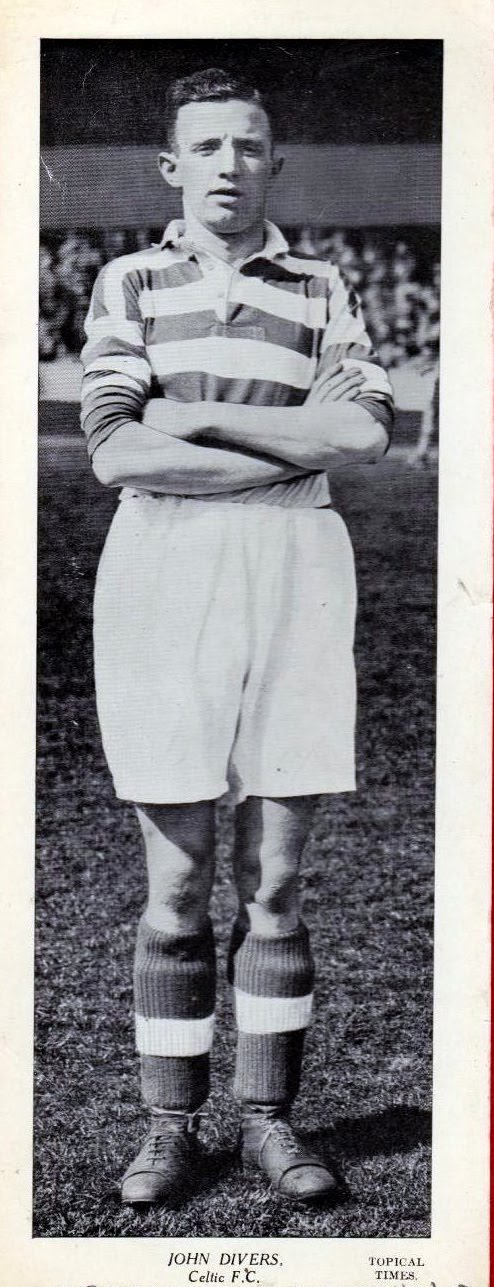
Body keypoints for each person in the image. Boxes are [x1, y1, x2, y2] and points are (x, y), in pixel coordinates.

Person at [80, 67, 394, 1208]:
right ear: (173, 166)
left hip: (297, 564)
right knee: (176, 882)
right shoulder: (129, 281)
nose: (229, 163)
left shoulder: (322, 285)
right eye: (207, 146)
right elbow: (117, 451)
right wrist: (285, 442)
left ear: (274, 163)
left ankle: (267, 1120)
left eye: (248, 145)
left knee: (276, 882)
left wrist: (197, 415)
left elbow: (362, 435)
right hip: (164, 564)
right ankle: (170, 1128)